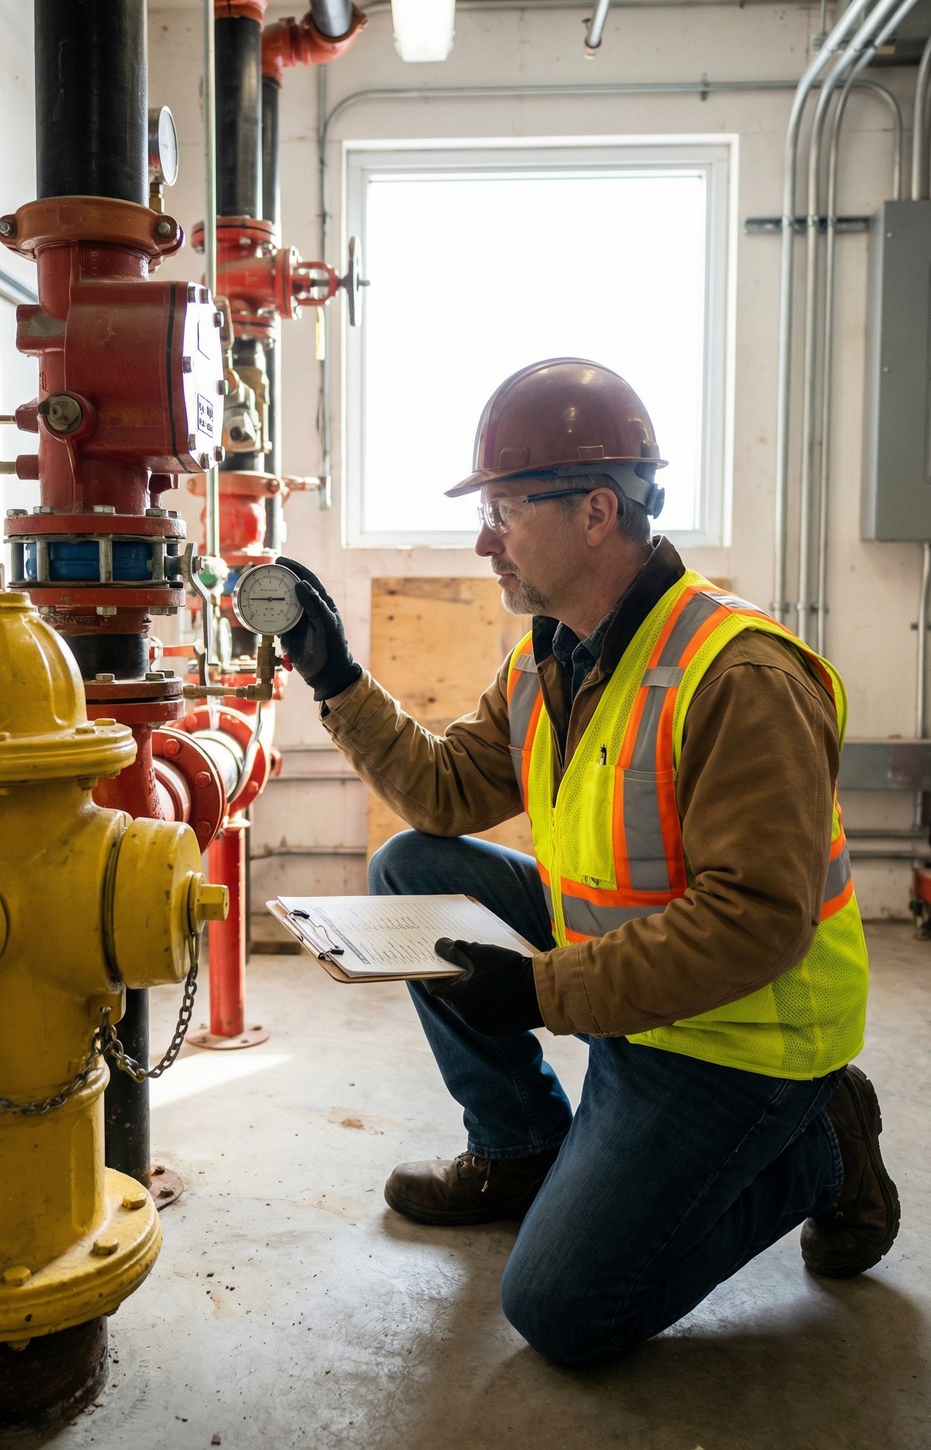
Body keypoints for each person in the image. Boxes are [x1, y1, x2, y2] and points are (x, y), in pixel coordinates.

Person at [276, 357, 899, 1367]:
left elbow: (757, 921)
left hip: (740, 1040)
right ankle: (522, 1144)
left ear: (598, 511)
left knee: (563, 1309)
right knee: (410, 865)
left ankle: (825, 1148)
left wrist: (541, 989)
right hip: (634, 991)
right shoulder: (546, 658)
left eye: (506, 510)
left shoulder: (739, 675)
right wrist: (336, 674)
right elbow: (442, 793)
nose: (485, 540)